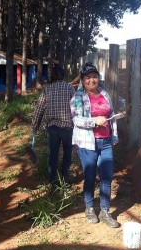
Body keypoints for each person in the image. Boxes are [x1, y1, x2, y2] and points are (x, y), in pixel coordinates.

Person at [70, 62, 120, 228]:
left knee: (106, 176)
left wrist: (113, 137)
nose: (92, 80)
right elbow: (76, 119)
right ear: (82, 80)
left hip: (105, 141)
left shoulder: (104, 93)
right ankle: (89, 207)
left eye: (94, 77)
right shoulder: (78, 97)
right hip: (87, 143)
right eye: (87, 78)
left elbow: (110, 113)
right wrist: (94, 121)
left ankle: (105, 211)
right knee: (90, 175)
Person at [32, 64, 76, 187]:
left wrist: (34, 125)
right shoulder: (69, 88)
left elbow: (39, 108)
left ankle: (52, 180)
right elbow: (76, 107)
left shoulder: (47, 89)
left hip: (52, 127)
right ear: (63, 75)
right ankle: (65, 175)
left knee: (53, 153)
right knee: (67, 151)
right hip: (67, 127)